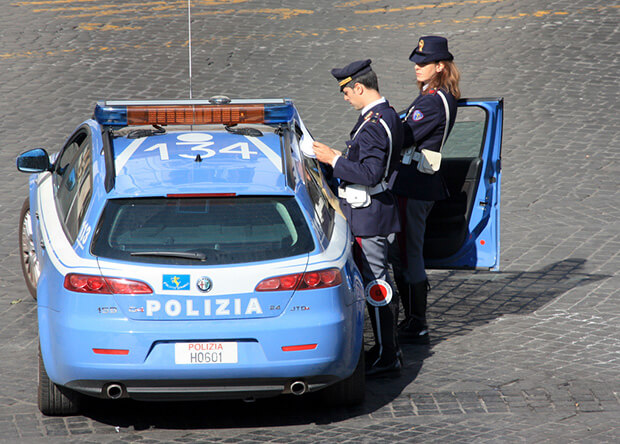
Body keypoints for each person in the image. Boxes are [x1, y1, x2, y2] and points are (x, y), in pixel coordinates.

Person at [312, 59, 404, 377]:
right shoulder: (386, 115)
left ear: (359, 87)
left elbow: (370, 172)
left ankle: (386, 354)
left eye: (346, 92)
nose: (346, 98)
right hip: (374, 210)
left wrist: (333, 158)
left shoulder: (375, 124)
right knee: (377, 280)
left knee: (377, 284)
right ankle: (386, 347)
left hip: (369, 214)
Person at [391, 36, 461, 344]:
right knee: (406, 252)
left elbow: (404, 137)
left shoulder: (432, 101)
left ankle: (416, 322)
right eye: (416, 63)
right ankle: (412, 318)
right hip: (416, 183)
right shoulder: (435, 96)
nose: (417, 68)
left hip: (413, 186)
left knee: (409, 253)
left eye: (423, 63)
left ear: (440, 66)